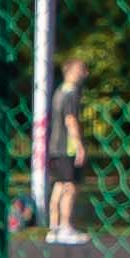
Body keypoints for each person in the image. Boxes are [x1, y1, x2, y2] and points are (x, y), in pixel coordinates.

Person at [34, 47, 97, 245]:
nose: (84, 73)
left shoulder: (59, 91)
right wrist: (79, 145)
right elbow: (70, 120)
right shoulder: (70, 94)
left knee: (60, 186)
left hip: (55, 147)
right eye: (81, 69)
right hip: (66, 147)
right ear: (70, 71)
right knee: (70, 186)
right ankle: (65, 227)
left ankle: (54, 228)